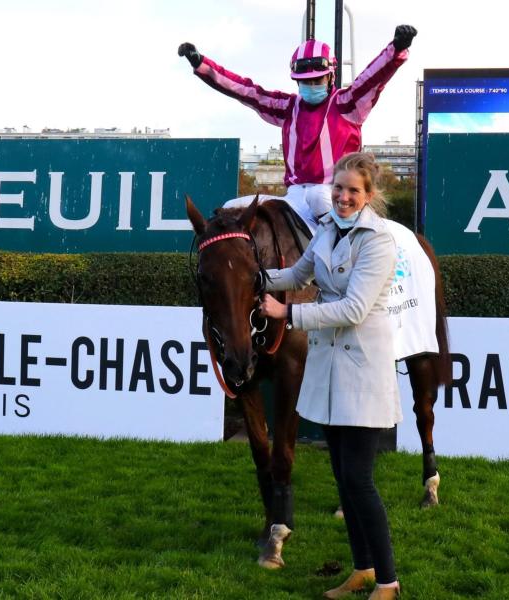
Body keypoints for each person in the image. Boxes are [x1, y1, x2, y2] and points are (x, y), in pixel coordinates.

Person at [259, 152, 402, 600]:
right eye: (338, 188)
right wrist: (252, 277)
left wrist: (288, 312)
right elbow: (295, 274)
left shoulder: (379, 241)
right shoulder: (325, 229)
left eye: (352, 191)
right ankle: (362, 570)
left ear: (369, 195)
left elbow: (354, 309)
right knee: (343, 477)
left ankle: (388, 581)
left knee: (359, 480)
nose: (342, 197)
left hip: (361, 370)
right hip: (329, 372)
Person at [178, 25, 416, 228]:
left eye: (317, 80)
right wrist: (202, 64)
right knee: (231, 208)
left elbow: (372, 78)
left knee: (318, 197)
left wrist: (395, 49)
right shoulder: (287, 106)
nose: (310, 85)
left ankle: (344, 262)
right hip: (293, 198)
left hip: (335, 194)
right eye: (304, 82)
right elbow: (246, 91)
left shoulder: (347, 104)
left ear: (331, 76)